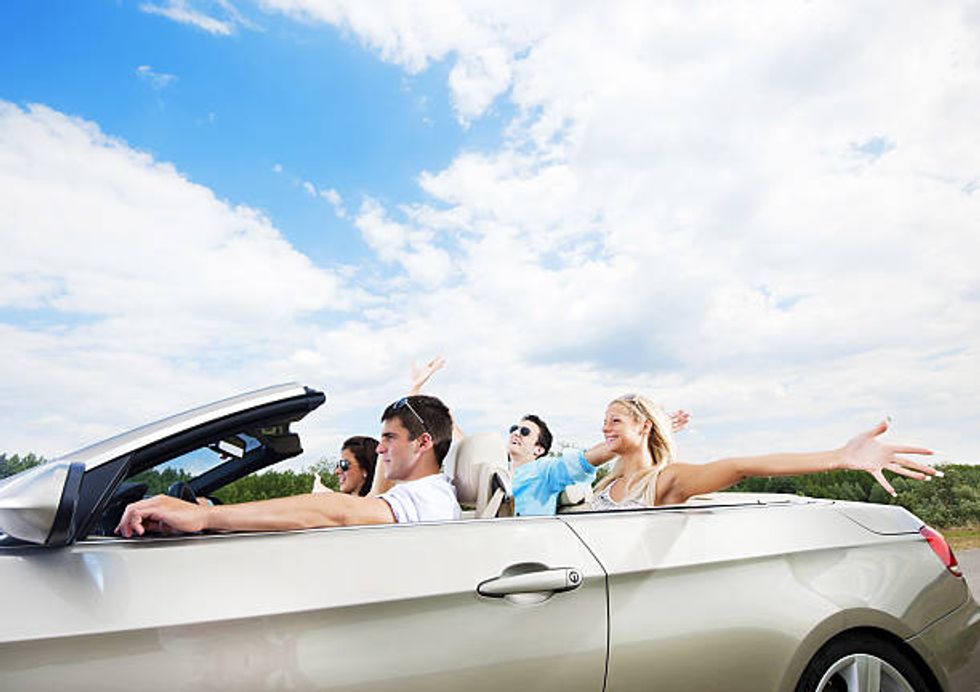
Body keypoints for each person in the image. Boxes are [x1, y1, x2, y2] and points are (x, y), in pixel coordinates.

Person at [115, 395, 460, 537]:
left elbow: (339, 511)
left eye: (390, 438)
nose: (380, 447)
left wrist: (204, 517)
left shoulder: (429, 498)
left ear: (423, 443)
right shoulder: (420, 494)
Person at [588, 393, 939, 510]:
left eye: (615, 420)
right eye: (604, 421)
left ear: (644, 427)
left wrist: (837, 457)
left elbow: (740, 466)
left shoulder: (666, 480)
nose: (606, 428)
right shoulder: (603, 485)